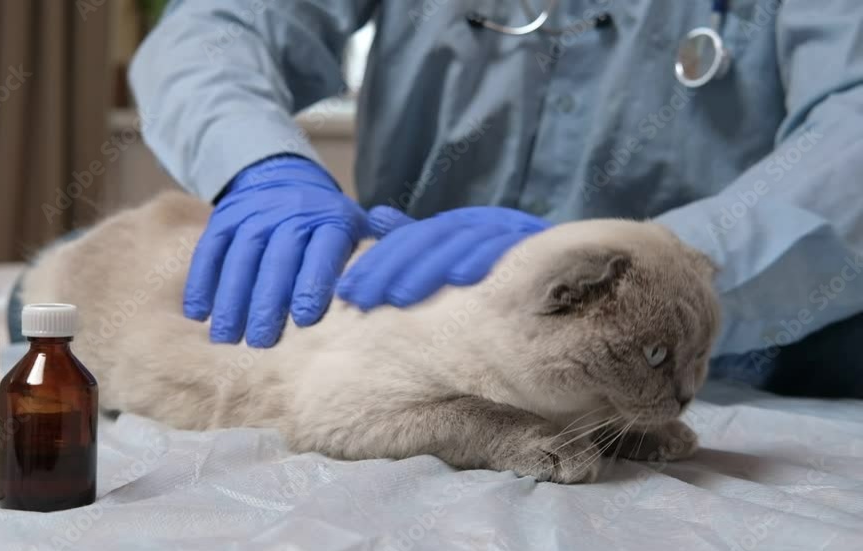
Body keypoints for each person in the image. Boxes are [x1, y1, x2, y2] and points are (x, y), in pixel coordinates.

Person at [128, 0, 863, 397]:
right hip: (410, 321)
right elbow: (217, 27)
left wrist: (659, 266)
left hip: (702, 355)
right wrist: (262, 167)